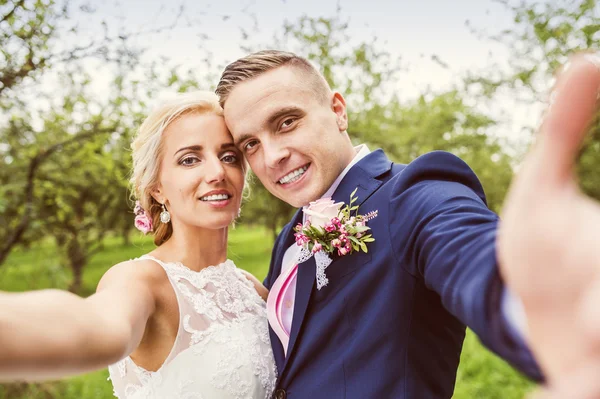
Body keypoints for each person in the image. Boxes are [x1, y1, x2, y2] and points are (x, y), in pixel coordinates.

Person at [215, 50, 600, 398]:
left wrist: (523, 299)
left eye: (286, 122)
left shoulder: (413, 194)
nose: (272, 156)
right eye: (250, 144)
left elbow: (463, 247)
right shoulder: (290, 234)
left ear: (337, 111)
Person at [0, 91, 277, 398]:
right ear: (157, 188)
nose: (217, 172)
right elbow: (95, 325)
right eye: (189, 159)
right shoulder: (142, 281)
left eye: (229, 157)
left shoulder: (251, 289)